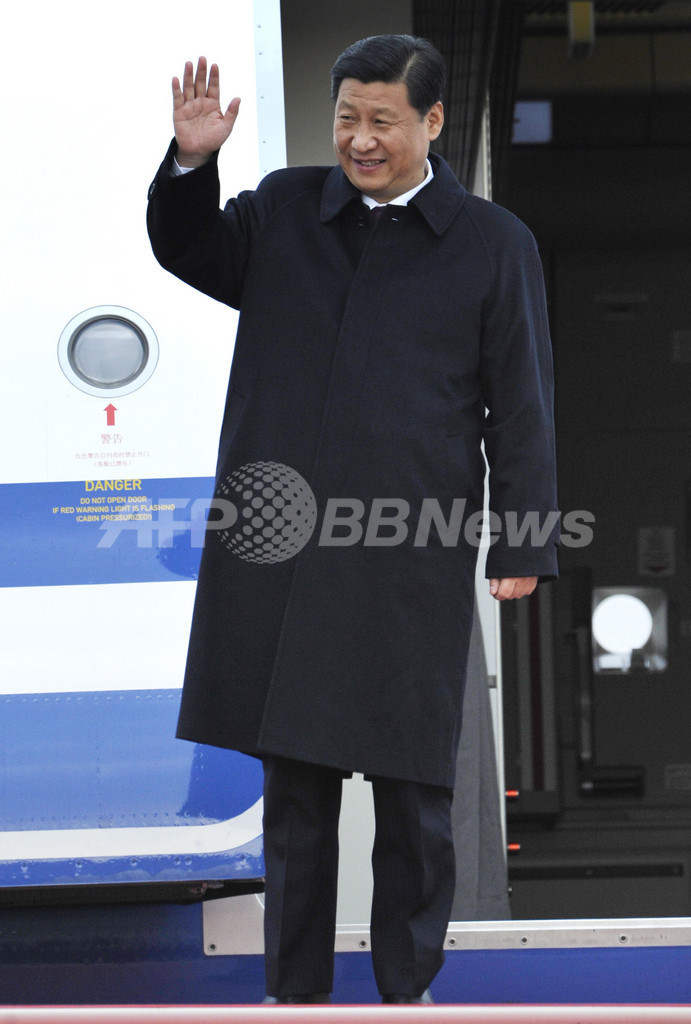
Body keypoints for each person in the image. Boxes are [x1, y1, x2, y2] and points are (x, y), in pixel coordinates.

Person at [147, 35, 558, 1004]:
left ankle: (407, 990)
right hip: (286, 551)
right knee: (296, 793)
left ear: (432, 121)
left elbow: (521, 404)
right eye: (346, 119)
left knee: (414, 790)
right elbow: (189, 250)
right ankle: (292, 994)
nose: (360, 140)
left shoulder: (492, 242)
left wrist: (522, 539)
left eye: (381, 121)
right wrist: (193, 165)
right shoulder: (286, 209)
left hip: (408, 549)